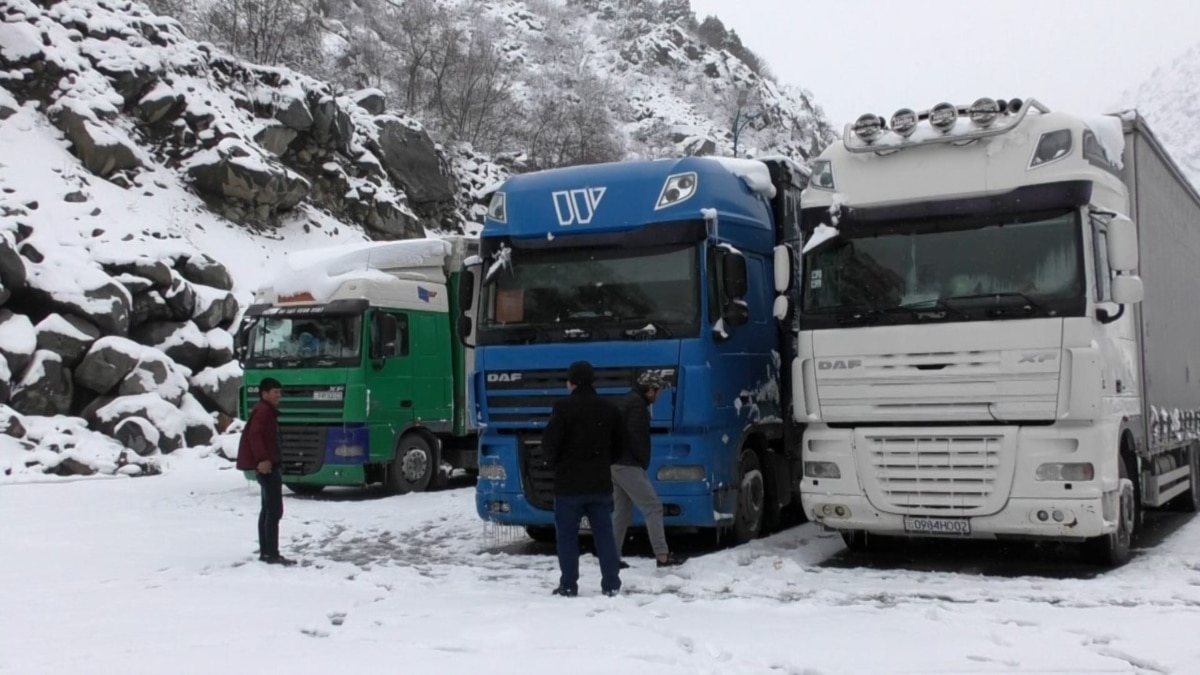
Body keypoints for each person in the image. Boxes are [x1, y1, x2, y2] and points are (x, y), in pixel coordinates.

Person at [541, 360, 626, 597]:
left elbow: (549, 444)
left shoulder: (563, 408)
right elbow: (620, 446)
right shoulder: (610, 409)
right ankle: (611, 583)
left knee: (567, 536)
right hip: (599, 484)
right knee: (604, 534)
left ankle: (569, 584)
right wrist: (602, 462)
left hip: (568, 485)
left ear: (571, 383)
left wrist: (556, 463)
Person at [612, 371, 685, 568]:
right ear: (651, 391)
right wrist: (642, 461)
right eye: (659, 391)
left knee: (622, 511)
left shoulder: (628, 400)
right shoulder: (637, 407)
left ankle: (611, 556)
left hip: (616, 463)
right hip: (628, 464)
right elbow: (638, 437)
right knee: (653, 506)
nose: (659, 395)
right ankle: (662, 556)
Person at [236, 377, 295, 566]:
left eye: (279, 391)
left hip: (269, 464)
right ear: (264, 394)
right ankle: (271, 554)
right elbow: (255, 436)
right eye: (275, 392)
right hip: (268, 466)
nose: (279, 395)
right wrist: (263, 459)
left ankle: (267, 552)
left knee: (268, 509)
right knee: (274, 510)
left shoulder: (266, 411)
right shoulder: (263, 412)